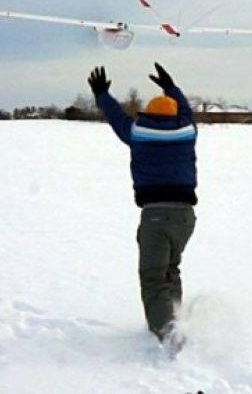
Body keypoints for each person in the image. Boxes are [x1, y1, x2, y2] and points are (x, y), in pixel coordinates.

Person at [87, 63, 197, 346]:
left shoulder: (138, 133)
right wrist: (171, 88)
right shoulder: (187, 131)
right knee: (171, 271)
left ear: (148, 114)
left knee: (154, 277)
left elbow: (115, 117)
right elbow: (185, 110)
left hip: (156, 217)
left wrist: (102, 95)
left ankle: (170, 337)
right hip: (185, 218)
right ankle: (175, 322)